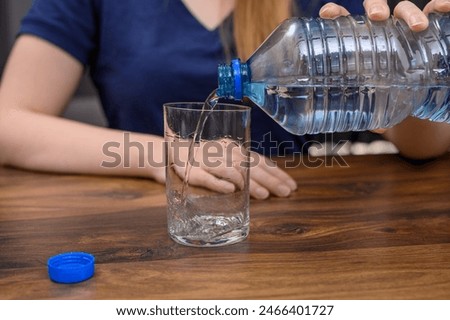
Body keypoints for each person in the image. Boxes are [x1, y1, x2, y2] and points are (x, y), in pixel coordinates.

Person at [0, 0, 449, 200]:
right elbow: (8, 122)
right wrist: (164, 153)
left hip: (298, 225)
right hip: (151, 227)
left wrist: (424, 76)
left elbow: (418, 144)